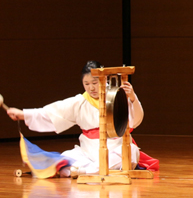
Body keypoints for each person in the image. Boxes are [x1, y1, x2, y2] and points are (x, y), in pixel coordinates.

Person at [6, 60, 158, 178]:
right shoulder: (79, 102)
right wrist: (23, 114)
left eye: (95, 83)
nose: (91, 88)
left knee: (130, 151)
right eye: (87, 84)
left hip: (116, 147)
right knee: (65, 157)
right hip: (88, 151)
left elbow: (135, 120)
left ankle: (83, 172)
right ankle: (88, 171)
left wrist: (132, 98)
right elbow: (52, 112)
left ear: (104, 80)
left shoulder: (117, 97)